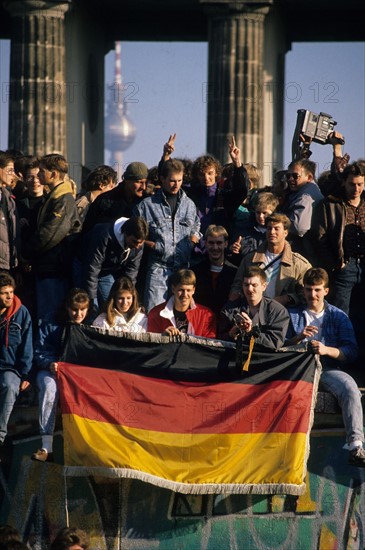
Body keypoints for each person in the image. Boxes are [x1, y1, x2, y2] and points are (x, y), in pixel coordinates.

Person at [285, 267, 365, 467]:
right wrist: (299, 338)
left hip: (329, 369)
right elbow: (279, 347)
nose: (313, 294)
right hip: (298, 370)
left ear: (326, 291)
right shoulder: (291, 315)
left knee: (349, 387)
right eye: (309, 290)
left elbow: (351, 351)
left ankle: (356, 445)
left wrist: (326, 349)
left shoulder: (338, 316)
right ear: (303, 291)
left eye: (318, 290)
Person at [31, 288, 91, 463]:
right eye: (74, 309)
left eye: (82, 310)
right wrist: (50, 363)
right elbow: (39, 350)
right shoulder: (51, 320)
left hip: (76, 375)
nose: (78, 314)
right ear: (67, 307)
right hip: (49, 371)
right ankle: (46, 446)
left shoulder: (91, 325)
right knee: (49, 387)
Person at [134, 159, 201, 312]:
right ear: (162, 179)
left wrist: (192, 241)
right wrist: (153, 245)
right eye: (172, 180)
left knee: (182, 317)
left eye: (179, 180)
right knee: (154, 314)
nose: (176, 184)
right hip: (158, 268)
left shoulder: (189, 204)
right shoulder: (146, 205)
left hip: (183, 269)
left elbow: (196, 225)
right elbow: (135, 233)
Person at [22, 153, 81, 320]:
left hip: (54, 267)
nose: (38, 175)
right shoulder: (54, 197)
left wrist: (26, 254)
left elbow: (49, 234)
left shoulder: (62, 199)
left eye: (42, 171)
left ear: (54, 174)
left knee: (49, 316)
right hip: (49, 265)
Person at [312, 161, 365, 316]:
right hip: (344, 265)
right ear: (344, 182)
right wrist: (334, 263)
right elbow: (319, 237)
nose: (356, 189)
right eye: (352, 184)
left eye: (360, 184)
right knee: (341, 314)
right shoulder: (330, 204)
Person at [229, 213, 311, 308]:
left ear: (285, 232)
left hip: (284, 315)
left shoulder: (299, 264)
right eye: (269, 228)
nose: (272, 232)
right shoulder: (250, 259)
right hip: (252, 313)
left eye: (276, 228)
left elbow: (306, 293)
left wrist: (287, 298)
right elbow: (237, 285)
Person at [78, 216, 147, 309]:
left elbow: (131, 272)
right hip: (84, 266)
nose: (137, 246)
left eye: (140, 243)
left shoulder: (137, 245)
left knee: (111, 306)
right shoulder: (104, 235)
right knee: (87, 304)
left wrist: (129, 293)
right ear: (125, 233)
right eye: (134, 242)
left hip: (107, 271)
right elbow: (92, 268)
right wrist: (91, 299)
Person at [218, 266, 290, 348]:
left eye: (254, 285)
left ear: (264, 286)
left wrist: (251, 331)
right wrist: (230, 335)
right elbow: (217, 339)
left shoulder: (278, 311)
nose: (249, 289)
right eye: (246, 285)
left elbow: (275, 343)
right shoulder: (229, 309)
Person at [0, 272, 32, 451]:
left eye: (11, 292)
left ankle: (0, 437)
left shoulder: (22, 313)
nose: (9, 296)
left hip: (10, 368)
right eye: (4, 293)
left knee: (10, 386)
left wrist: (26, 373)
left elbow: (27, 345)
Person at [147, 269, 216, 338]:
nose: (185, 294)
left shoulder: (206, 315)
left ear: (194, 290)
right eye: (181, 290)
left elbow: (209, 345)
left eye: (188, 290)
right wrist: (163, 337)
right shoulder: (156, 314)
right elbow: (152, 346)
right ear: (173, 289)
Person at [82, 161, 148, 232]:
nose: (143, 187)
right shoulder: (105, 201)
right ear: (127, 180)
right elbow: (89, 230)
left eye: (145, 182)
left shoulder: (147, 202)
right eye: (139, 182)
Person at [281, 158, 323, 263]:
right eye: (288, 176)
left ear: (309, 177)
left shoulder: (305, 196)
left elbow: (299, 227)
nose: (290, 179)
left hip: (304, 251)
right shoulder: (305, 190)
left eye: (295, 176)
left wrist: (279, 223)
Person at [192, 225, 237, 316]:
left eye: (219, 243)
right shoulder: (195, 272)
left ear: (226, 244)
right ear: (205, 243)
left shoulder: (235, 273)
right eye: (211, 243)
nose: (215, 247)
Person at [229, 191, 279, 265]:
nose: (261, 216)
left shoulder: (278, 232)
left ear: (273, 212)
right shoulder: (243, 228)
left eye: (265, 213)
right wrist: (232, 249)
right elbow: (231, 252)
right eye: (258, 213)